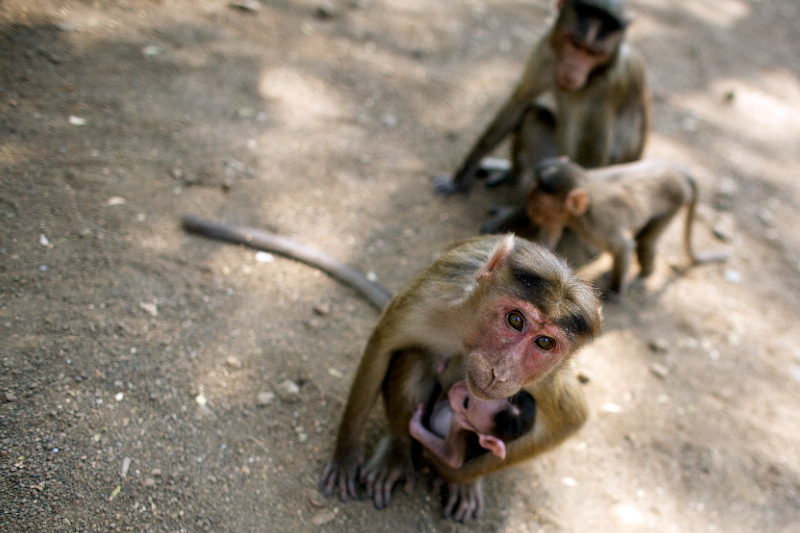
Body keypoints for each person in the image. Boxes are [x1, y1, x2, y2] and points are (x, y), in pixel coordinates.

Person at [409, 380, 536, 469]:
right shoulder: (475, 413)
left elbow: (453, 460)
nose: (459, 389)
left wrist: (418, 430)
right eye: (477, 387)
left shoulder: (459, 429)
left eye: (466, 402)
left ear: (487, 440)